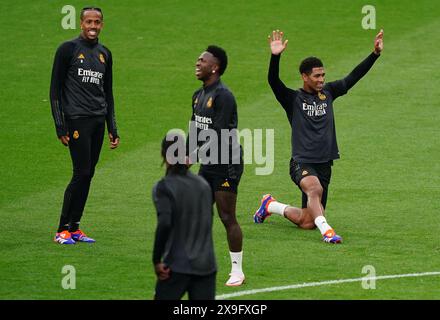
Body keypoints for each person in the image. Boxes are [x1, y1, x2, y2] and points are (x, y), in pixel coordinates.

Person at [254, 29, 384, 244]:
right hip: (301, 162)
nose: (321, 79)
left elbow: (353, 77)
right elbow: (273, 81)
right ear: (305, 77)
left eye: (323, 75)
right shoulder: (292, 99)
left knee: (307, 221)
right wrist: (275, 56)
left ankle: (270, 205)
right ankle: (327, 231)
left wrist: (375, 54)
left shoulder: (329, 93)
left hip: (325, 163)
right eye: (317, 76)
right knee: (314, 189)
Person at [50, 7, 119, 245]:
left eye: (97, 22)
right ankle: (61, 230)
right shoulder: (67, 50)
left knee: (88, 174)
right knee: (81, 172)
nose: (93, 26)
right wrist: (61, 126)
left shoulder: (105, 54)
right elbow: (55, 91)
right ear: (80, 23)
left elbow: (108, 92)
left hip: (98, 121)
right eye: (88, 21)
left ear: (102, 24)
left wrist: (112, 127)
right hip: (77, 120)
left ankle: (75, 227)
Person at [186, 45, 245, 286]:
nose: (197, 63)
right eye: (198, 59)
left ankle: (237, 270)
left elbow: (219, 133)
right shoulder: (198, 95)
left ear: (215, 67)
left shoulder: (223, 96)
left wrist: (194, 155)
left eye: (202, 60)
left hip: (226, 163)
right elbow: (194, 127)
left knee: (226, 215)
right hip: (209, 161)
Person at [152, 133, 217, 300]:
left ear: (164, 155)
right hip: (206, 266)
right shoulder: (203, 185)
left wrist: (156, 260)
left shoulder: (164, 187)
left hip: (176, 266)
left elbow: (165, 223)